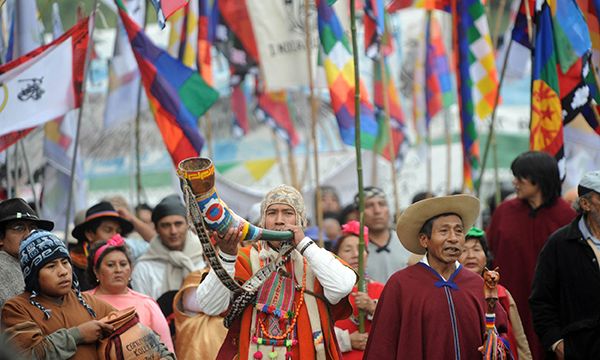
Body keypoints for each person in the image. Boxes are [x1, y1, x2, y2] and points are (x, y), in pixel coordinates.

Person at [187, 184, 356, 359]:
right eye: (272, 213)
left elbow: (342, 287)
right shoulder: (244, 258)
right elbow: (210, 306)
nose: (279, 220)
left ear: (300, 221)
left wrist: (304, 244)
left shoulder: (317, 259)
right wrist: (227, 256)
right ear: (263, 221)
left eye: (288, 213)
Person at [364, 195, 510, 359]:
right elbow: (382, 346)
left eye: (459, 231)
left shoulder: (478, 285)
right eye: (444, 231)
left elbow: (501, 332)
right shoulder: (401, 285)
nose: (453, 238)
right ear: (424, 240)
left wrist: (497, 346)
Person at [486, 151, 576, 359]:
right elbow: (488, 255)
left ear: (539, 178)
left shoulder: (567, 217)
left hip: (555, 314)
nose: (515, 182)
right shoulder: (504, 212)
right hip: (510, 307)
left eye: (520, 177)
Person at [1, 230, 115, 359]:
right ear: (33, 276)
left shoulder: (90, 303)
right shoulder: (17, 308)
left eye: (65, 262)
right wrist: (78, 335)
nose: (63, 271)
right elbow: (26, 355)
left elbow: (126, 326)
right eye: (51, 266)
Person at [530, 170, 600, 359]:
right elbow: (541, 300)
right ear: (585, 204)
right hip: (578, 350)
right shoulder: (560, 244)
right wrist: (557, 343)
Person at [85, 234, 174, 352]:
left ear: (131, 270)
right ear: (96, 271)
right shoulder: (82, 301)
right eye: (110, 265)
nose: (118, 270)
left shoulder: (147, 304)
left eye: (123, 264)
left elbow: (167, 350)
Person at [131, 194, 204, 333]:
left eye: (178, 224)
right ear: (156, 229)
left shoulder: (205, 259)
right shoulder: (144, 267)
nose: (173, 231)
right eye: (165, 225)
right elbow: (142, 313)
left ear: (187, 225)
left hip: (201, 338)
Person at [459, 227, 532, 359]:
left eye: (476, 249)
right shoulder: (451, 293)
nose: (470, 256)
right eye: (463, 250)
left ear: (486, 258)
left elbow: (520, 341)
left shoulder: (502, 294)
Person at [333, 221, 384, 360]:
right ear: (336, 256)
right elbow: (316, 332)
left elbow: (398, 329)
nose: (355, 254)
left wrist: (373, 308)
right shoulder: (327, 292)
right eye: (348, 250)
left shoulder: (382, 290)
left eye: (360, 249)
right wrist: (347, 340)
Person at [0, 198, 54, 314]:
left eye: (33, 228)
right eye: (19, 228)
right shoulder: (2, 267)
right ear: (1, 238)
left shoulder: (31, 264)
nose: (28, 235)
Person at [70, 201, 135, 291]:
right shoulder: (73, 266)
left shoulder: (123, 261)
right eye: (108, 230)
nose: (115, 236)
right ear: (90, 234)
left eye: (118, 231)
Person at [357, 186, 412, 283]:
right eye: (369, 206)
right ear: (358, 213)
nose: (377, 211)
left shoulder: (407, 241)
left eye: (381, 204)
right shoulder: (355, 248)